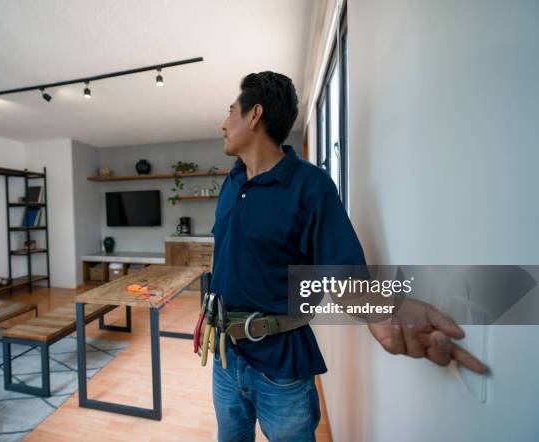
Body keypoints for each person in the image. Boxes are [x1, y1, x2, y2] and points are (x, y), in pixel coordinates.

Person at [206, 71, 488, 442]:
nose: (223, 123)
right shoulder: (231, 183)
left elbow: (341, 275)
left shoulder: (311, 185)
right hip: (225, 359)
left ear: (254, 114)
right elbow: (224, 252)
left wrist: (382, 311)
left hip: (281, 368)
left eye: (231, 111)